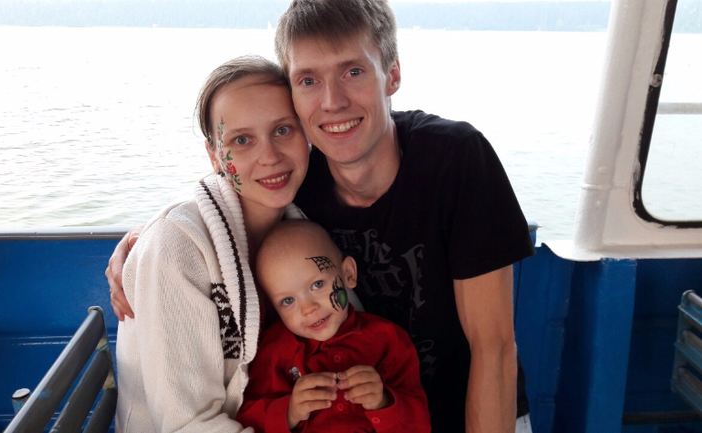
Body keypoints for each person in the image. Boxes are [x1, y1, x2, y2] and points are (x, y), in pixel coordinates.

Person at [106, 0, 536, 431]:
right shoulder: (295, 185)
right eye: (309, 80)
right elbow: (218, 210)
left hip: (465, 410)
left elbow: (494, 348)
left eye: (353, 72)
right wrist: (148, 244)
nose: (332, 102)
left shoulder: (452, 159)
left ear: (393, 74)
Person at [113, 55, 311, 432]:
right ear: (214, 155)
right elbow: (186, 424)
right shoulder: (175, 248)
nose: (270, 156)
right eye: (242, 140)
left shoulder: (307, 225)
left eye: (284, 130)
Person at [235, 220, 430, 432]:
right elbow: (247, 420)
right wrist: (289, 412)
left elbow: (420, 423)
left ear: (348, 274)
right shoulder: (275, 350)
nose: (308, 308)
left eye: (318, 284)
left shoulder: (389, 339)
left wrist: (383, 401)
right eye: (288, 301)